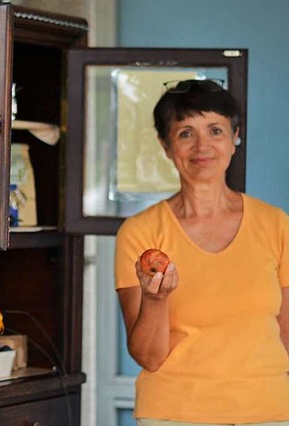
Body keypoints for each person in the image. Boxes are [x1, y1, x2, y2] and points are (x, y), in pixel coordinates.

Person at [115, 79, 289, 425]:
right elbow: (148, 357)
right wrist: (157, 300)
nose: (202, 146)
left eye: (215, 130)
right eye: (185, 133)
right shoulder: (141, 233)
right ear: (166, 145)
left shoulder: (276, 225)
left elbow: (287, 335)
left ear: (235, 137)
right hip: (173, 413)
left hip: (267, 412)